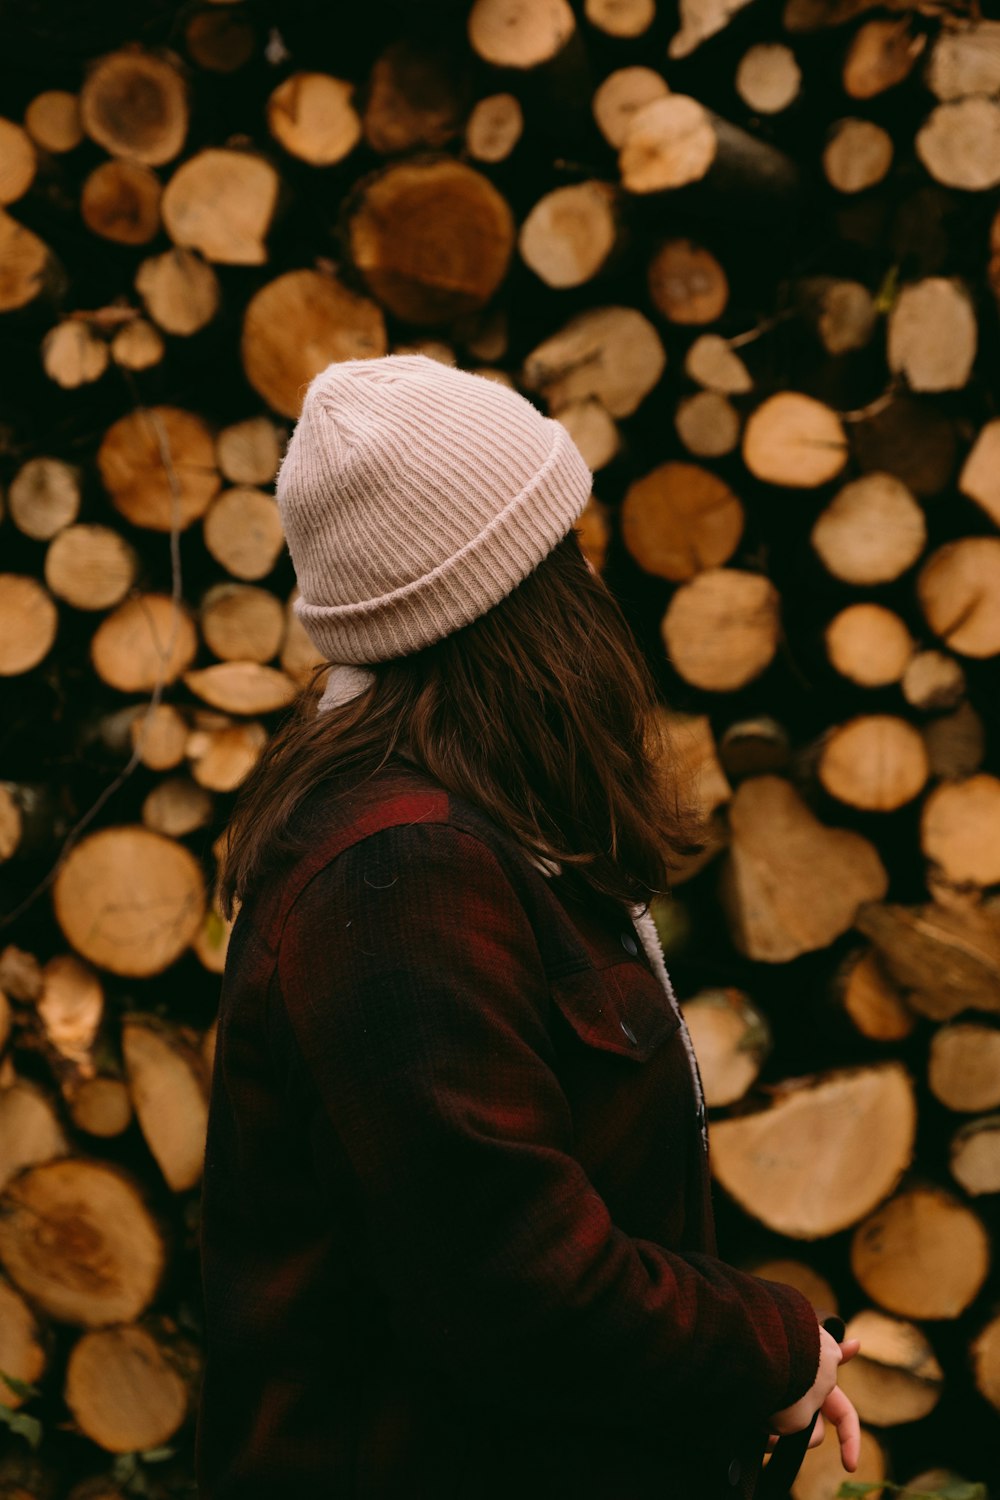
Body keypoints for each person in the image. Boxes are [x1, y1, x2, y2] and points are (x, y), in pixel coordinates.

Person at [196, 355, 861, 1499]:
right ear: (514, 602)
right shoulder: (400, 873)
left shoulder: (475, 835)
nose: (594, 583)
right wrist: (775, 1345)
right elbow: (513, 1286)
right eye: (566, 551)